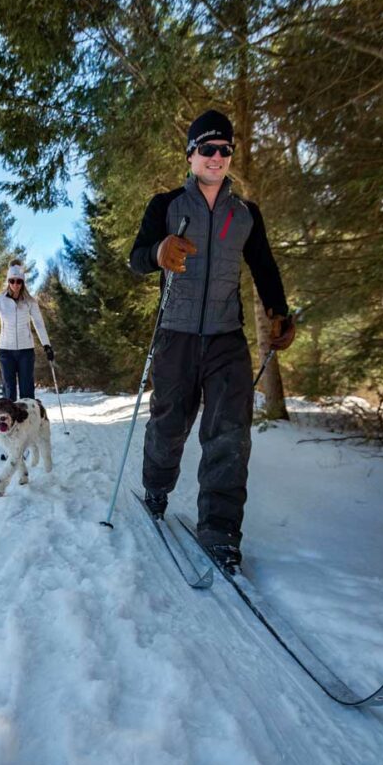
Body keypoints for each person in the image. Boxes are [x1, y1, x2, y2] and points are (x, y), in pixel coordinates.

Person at [129, 110, 295, 570]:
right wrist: (158, 252)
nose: (217, 157)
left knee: (229, 434)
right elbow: (136, 259)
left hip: (225, 338)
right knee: (169, 423)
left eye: (225, 150)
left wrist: (279, 314)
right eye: (208, 149)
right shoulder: (165, 206)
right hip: (176, 335)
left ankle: (220, 530)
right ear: (191, 154)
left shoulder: (246, 215)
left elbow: (265, 270)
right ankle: (157, 488)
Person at [0, 259, 54, 401]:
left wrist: (47, 345)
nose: (15, 285)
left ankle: (28, 421)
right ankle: (9, 422)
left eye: (19, 281)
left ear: (23, 282)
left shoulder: (30, 302)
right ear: (8, 281)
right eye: (12, 281)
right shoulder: (0, 300)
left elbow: (38, 324)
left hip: (26, 351)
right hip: (6, 351)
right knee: (9, 391)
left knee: (27, 391)